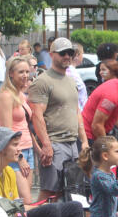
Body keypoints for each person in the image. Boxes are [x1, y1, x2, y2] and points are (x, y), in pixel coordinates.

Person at [28, 37, 89, 201]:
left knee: (69, 191)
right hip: (55, 143)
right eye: (63, 53)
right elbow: (37, 115)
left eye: (70, 52)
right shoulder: (43, 81)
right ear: (52, 54)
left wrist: (84, 141)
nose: (67, 56)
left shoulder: (70, 80)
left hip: (71, 143)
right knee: (50, 192)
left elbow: (76, 112)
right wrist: (46, 145)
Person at [0, 56, 41, 203]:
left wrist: (37, 149)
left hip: (27, 149)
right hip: (15, 154)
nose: (25, 76)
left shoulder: (21, 95)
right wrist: (20, 157)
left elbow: (27, 126)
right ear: (11, 73)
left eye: (27, 72)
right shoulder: (5, 96)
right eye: (21, 72)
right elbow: (6, 132)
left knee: (24, 200)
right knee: (26, 201)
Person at [67, 43, 88, 111]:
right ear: (77, 55)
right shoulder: (71, 72)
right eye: (82, 53)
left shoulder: (71, 70)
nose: (83, 56)